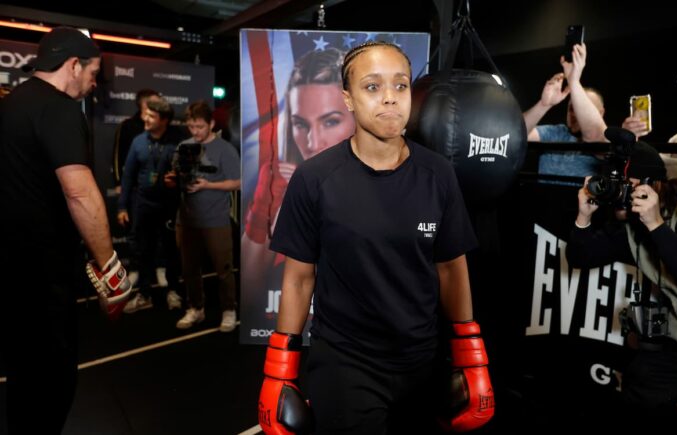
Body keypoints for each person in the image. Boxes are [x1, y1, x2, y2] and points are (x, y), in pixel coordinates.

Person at [257, 41, 494, 435]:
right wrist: (280, 369)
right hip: (346, 364)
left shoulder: (438, 174)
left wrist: (470, 355)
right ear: (347, 99)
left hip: (422, 360)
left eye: (400, 86)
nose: (389, 99)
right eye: (372, 87)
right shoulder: (315, 179)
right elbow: (299, 278)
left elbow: (452, 269)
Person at [0, 27, 131, 434]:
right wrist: (110, 266)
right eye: (92, 73)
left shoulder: (10, 105)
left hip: (10, 268)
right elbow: (80, 193)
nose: (93, 85)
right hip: (43, 272)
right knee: (52, 382)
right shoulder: (58, 109)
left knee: (23, 375)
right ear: (73, 65)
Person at [566, 141, 677, 430]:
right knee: (637, 390)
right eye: (615, 186)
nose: (621, 196)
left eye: (629, 187)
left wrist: (657, 225)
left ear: (655, 187)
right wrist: (584, 216)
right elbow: (580, 256)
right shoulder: (632, 231)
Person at [241, 47, 355, 306]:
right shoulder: (283, 179)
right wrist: (267, 208)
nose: (313, 143)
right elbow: (249, 295)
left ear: (356, 116)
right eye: (301, 125)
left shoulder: (385, 180)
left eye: (330, 121)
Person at [169, 101, 241, 332]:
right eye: (191, 127)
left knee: (223, 269)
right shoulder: (183, 146)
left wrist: (208, 185)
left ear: (210, 123)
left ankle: (229, 310)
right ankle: (195, 309)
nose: (195, 132)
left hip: (215, 219)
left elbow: (238, 182)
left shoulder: (225, 149)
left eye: (199, 126)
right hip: (186, 219)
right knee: (189, 269)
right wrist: (173, 180)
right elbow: (176, 173)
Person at [117, 95, 185, 313]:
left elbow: (190, 173)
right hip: (143, 205)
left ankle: (174, 291)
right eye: (146, 114)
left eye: (151, 116)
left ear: (164, 120)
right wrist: (122, 207)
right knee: (143, 251)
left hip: (168, 205)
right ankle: (144, 294)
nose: (145, 118)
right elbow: (127, 177)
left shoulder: (179, 141)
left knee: (170, 251)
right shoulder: (138, 141)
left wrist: (178, 179)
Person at [523, 42, 608, 178]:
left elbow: (594, 136)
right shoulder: (555, 133)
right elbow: (516, 132)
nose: (574, 114)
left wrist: (573, 81)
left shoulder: (606, 139)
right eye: (571, 109)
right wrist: (544, 105)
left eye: (580, 108)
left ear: (601, 113)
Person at [112, 88, 159, 188]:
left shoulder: (161, 125)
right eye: (155, 103)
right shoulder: (127, 126)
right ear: (144, 104)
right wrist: (118, 182)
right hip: (133, 185)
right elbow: (117, 157)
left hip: (157, 186)